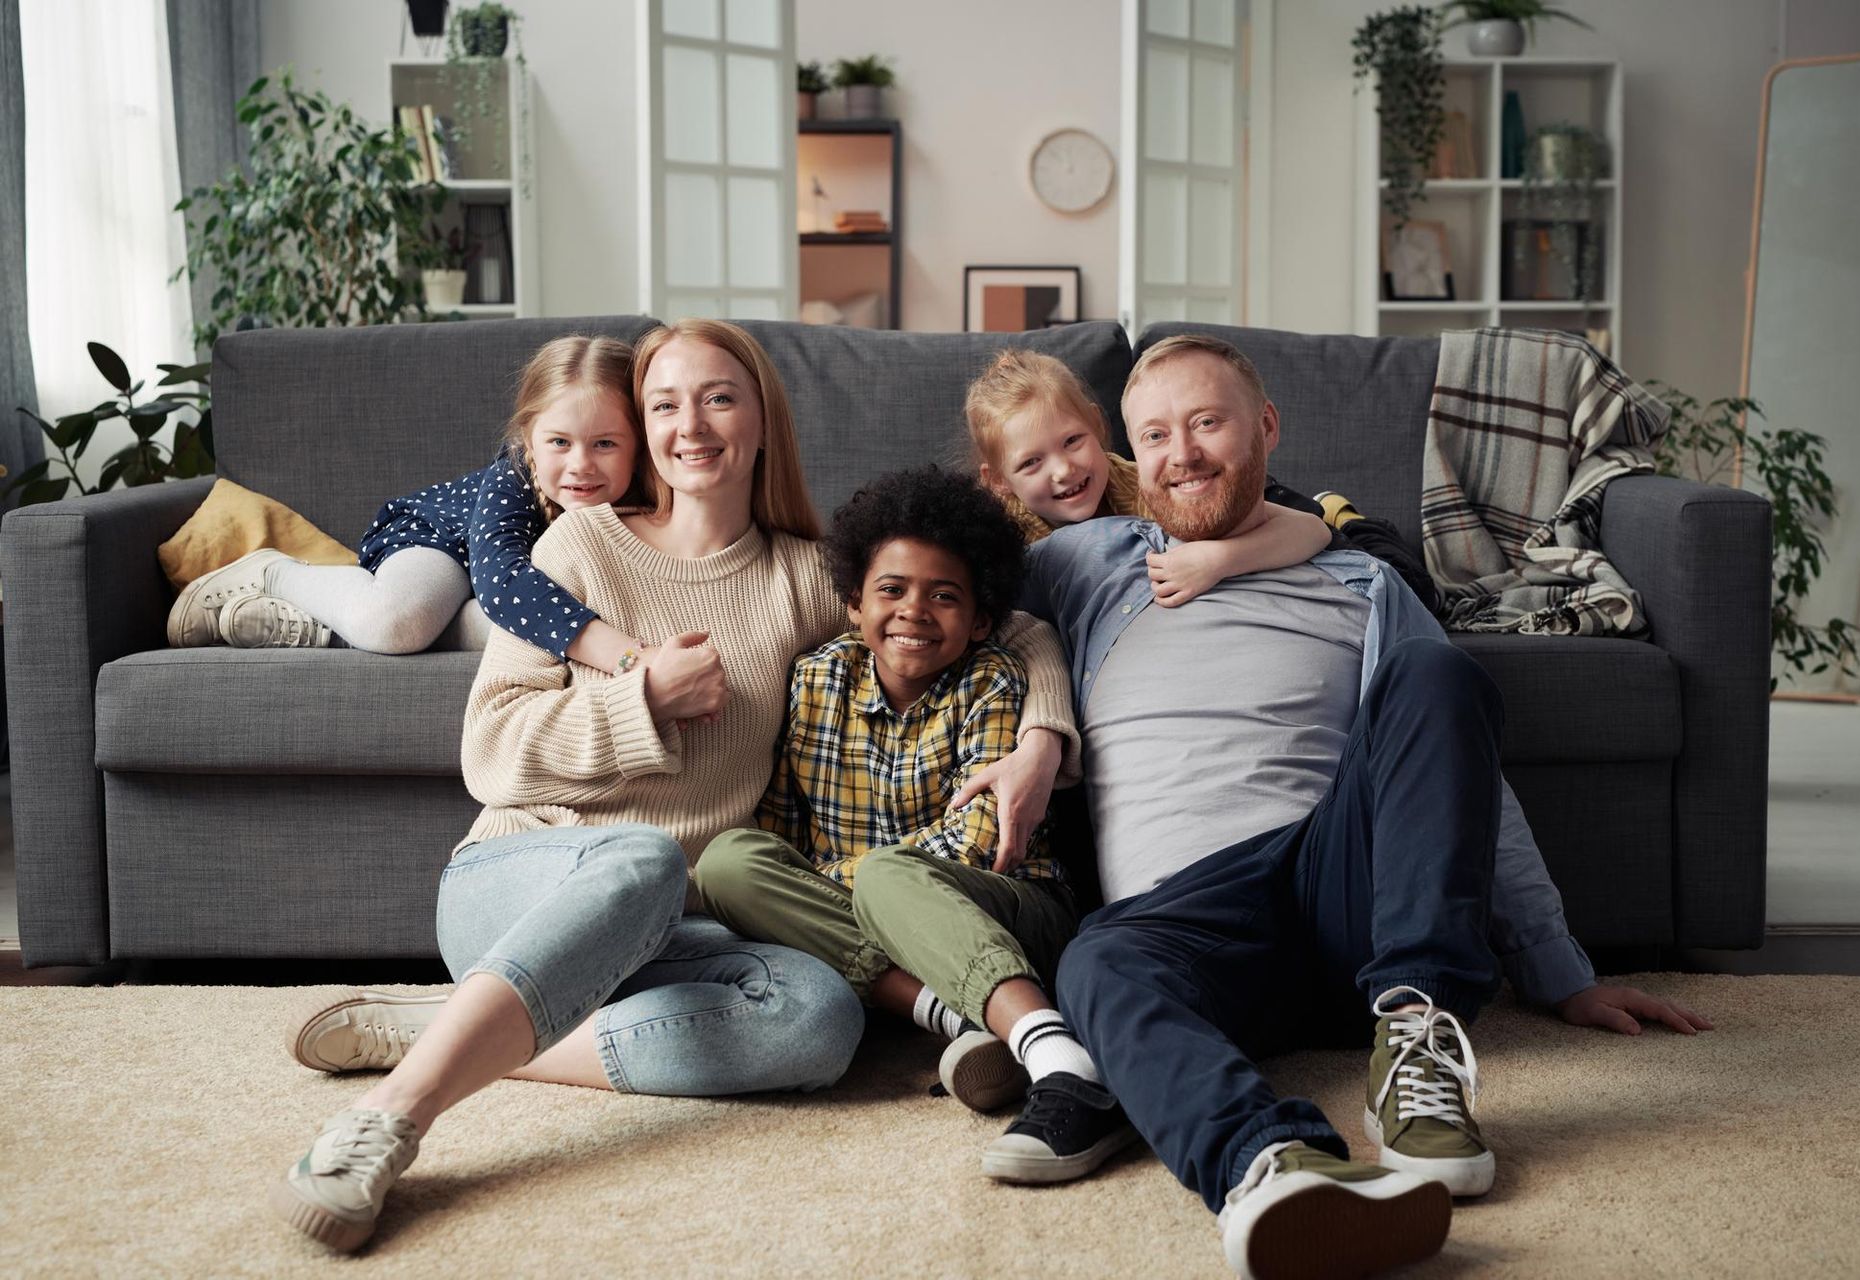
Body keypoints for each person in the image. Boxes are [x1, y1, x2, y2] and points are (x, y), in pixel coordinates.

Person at [269, 321, 1081, 1252]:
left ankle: (455, 1030)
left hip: (681, 931)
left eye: (719, 398)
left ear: (763, 419)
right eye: (664, 404)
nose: (691, 425)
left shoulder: (801, 578)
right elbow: (489, 750)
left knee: (817, 1019)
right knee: (646, 857)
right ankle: (394, 1115)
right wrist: (640, 701)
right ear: (646, 427)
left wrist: (1042, 739)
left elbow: (1011, 626)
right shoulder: (579, 547)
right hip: (520, 881)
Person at [1015, 333, 1714, 1279]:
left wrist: (1560, 969)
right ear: (1132, 454)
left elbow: (1461, 776)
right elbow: (940, 590)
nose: (1181, 454)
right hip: (1189, 922)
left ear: (1266, 427)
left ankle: (1419, 1048)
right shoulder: (1088, 563)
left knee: (1435, 670)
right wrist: (1035, 735)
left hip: (1339, 885)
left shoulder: (1361, 577)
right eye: (1157, 434)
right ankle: (1273, 1166)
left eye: (1207, 422)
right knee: (1097, 962)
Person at [696, 465, 1133, 1185]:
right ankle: (950, 1015)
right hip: (883, 907)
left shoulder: (995, 679)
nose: (914, 611)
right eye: (892, 590)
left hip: (1010, 904)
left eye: (945, 596)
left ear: (982, 618)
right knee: (727, 863)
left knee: (888, 873)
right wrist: (845, 881)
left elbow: (982, 842)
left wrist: (859, 878)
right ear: (854, 605)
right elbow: (781, 838)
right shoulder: (816, 680)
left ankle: (1057, 1054)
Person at [165, 335, 653, 673]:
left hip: (497, 594)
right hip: (441, 541)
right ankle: (276, 573)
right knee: (396, 623)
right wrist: (625, 655)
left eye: (605, 444)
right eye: (560, 443)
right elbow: (502, 581)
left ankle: (325, 630)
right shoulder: (516, 475)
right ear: (528, 438)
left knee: (523, 637)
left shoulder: (651, 494)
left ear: (639, 443)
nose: (580, 466)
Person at [964, 347, 1329, 605]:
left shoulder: (1150, 486)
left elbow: (1312, 529)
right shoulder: (1000, 534)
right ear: (999, 480)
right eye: (1031, 463)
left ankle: (1331, 503)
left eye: (1073, 441)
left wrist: (1219, 560)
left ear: (1097, 424)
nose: (1063, 470)